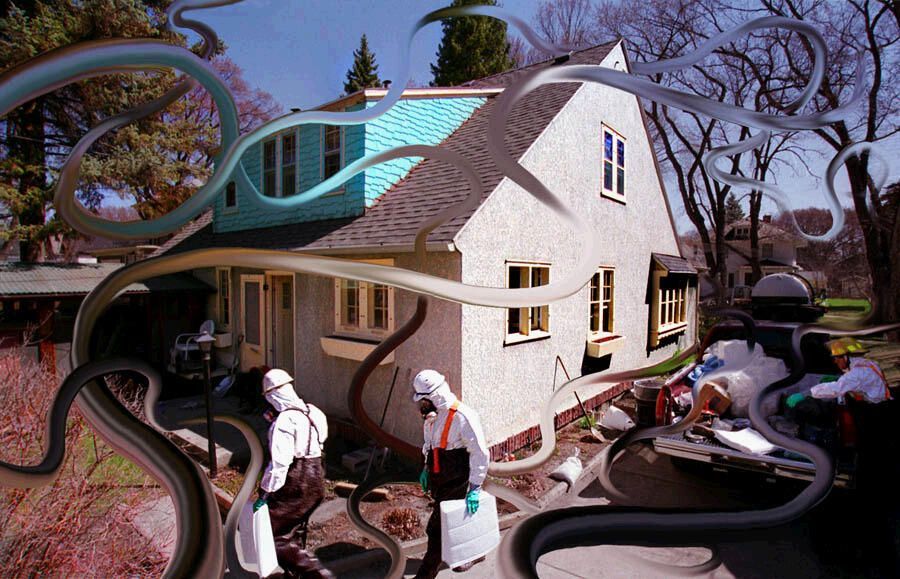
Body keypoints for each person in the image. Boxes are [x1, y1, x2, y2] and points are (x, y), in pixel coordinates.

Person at [253, 368, 333, 579]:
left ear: (272, 395)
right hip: (317, 477)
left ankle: (316, 573)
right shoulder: (314, 412)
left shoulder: (284, 422)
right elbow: (321, 440)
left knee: (274, 536)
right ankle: (296, 575)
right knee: (296, 529)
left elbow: (280, 464)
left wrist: (265, 493)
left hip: (297, 481)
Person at [412, 370, 489, 579]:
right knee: (456, 522)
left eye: (424, 400)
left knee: (437, 530)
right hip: (441, 479)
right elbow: (429, 445)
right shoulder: (432, 418)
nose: (421, 406)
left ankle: (425, 575)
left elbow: (480, 454)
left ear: (435, 396)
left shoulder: (463, 417)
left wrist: (475, 487)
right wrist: (426, 469)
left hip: (458, 480)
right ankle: (472, 553)